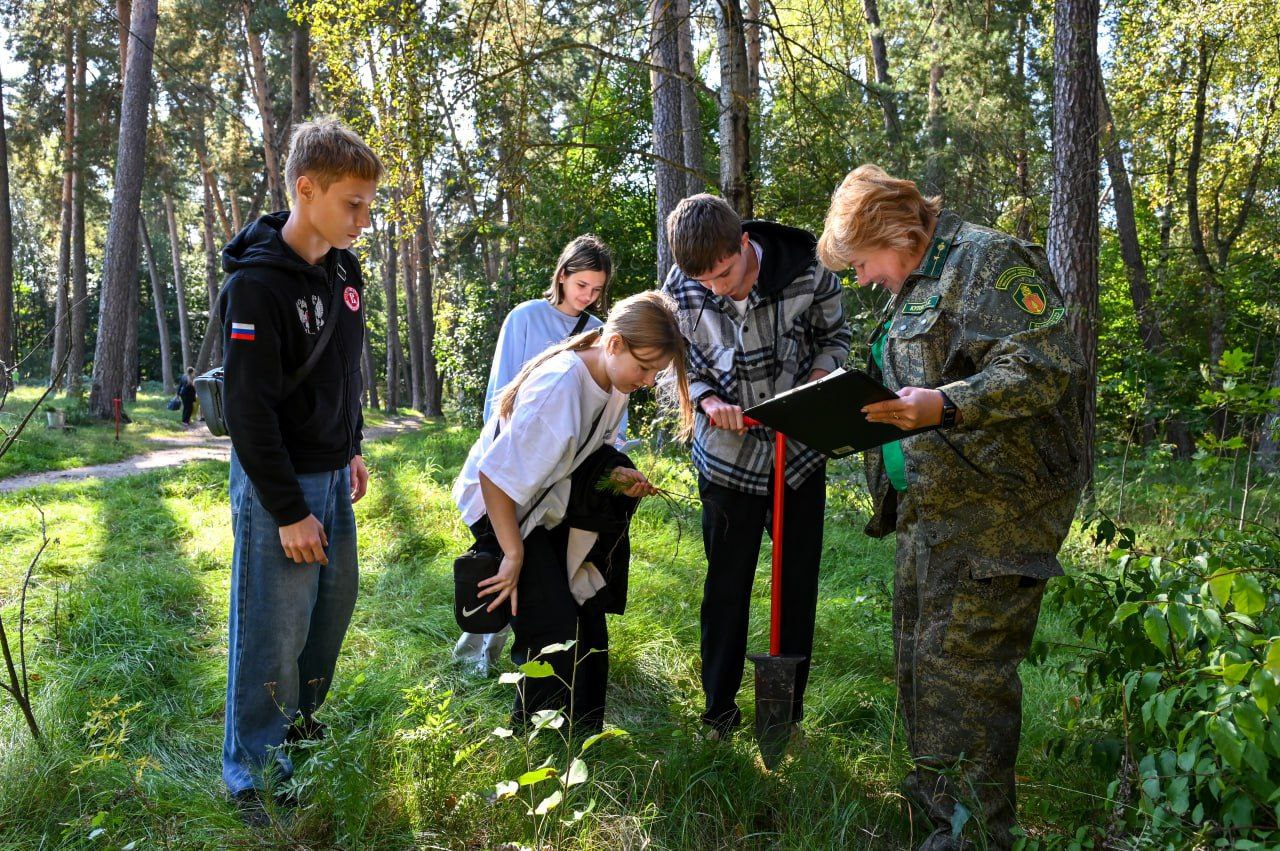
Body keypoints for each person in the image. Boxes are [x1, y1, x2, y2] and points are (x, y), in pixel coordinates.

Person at [816, 164, 1086, 850]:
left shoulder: (988, 260)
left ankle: (974, 837)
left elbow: (1046, 366)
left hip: (996, 515)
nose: (861, 279)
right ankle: (937, 818)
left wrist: (945, 404)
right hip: (930, 510)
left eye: (861, 262)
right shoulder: (916, 280)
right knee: (924, 669)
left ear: (892, 231)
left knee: (966, 679)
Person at [218, 118, 382, 823]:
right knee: (272, 629)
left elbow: (343, 371)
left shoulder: (345, 271)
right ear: (306, 189)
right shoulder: (256, 285)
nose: (363, 220)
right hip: (279, 484)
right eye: (352, 204)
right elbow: (247, 411)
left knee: (329, 612)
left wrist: (352, 444)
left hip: (333, 472)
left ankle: (297, 735)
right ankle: (252, 773)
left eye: (368, 205)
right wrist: (288, 510)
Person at [452, 290, 694, 730]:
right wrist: (513, 555)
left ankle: (583, 732)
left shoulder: (615, 382)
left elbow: (587, 452)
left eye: (654, 373)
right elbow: (495, 477)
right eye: (644, 368)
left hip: (542, 503)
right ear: (614, 343)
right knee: (551, 625)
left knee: (587, 613)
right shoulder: (561, 386)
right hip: (499, 508)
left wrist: (617, 472)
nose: (646, 381)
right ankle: (538, 735)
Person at [660, 193, 851, 741]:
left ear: (744, 243)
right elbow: (674, 362)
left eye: (725, 274)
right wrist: (704, 398)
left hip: (798, 456)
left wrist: (817, 381)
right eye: (706, 281)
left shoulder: (808, 268)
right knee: (725, 586)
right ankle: (718, 714)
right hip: (726, 461)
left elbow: (837, 337)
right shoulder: (681, 286)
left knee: (795, 588)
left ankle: (784, 718)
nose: (718, 288)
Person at [454, 235, 627, 676]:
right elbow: (502, 392)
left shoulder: (599, 331)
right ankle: (475, 653)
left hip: (563, 476)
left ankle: (519, 656)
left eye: (597, 289)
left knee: (537, 579)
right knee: (500, 560)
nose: (588, 296)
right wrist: (504, 453)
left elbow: (606, 412)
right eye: (582, 284)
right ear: (562, 275)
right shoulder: (526, 317)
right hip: (516, 459)